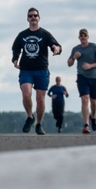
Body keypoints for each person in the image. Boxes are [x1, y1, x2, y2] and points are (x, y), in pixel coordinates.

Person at [11, 8, 62, 136]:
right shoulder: (22, 35)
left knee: (40, 99)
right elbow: (16, 48)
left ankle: (39, 124)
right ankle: (30, 116)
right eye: (30, 16)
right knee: (26, 93)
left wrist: (56, 48)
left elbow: (56, 45)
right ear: (27, 19)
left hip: (42, 70)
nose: (33, 17)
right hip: (26, 70)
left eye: (35, 15)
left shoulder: (45, 34)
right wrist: (15, 59)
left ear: (39, 18)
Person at [68, 28, 96, 134]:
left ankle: (93, 117)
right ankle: (86, 124)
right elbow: (69, 63)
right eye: (81, 35)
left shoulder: (95, 47)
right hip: (82, 77)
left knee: (93, 102)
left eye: (85, 35)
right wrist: (74, 58)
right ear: (79, 37)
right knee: (85, 99)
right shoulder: (76, 49)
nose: (83, 37)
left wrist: (91, 65)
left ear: (88, 37)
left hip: (95, 77)